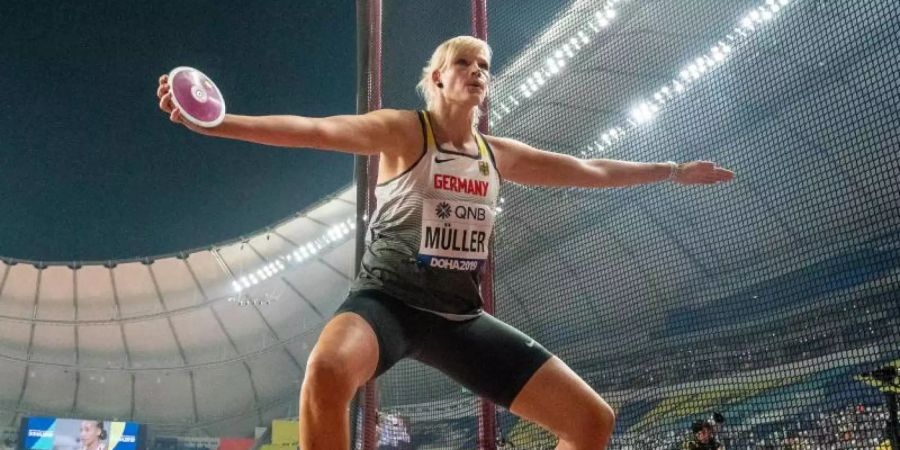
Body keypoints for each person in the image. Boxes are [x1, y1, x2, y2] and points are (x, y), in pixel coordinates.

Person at [157, 35, 734, 450]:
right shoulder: (405, 131)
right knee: (327, 373)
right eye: (464, 62)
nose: (479, 70)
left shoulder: (496, 155)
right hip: (386, 303)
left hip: (457, 317)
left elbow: (590, 169)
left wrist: (671, 168)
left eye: (485, 64)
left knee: (592, 422)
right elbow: (316, 131)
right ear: (437, 76)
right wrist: (219, 121)